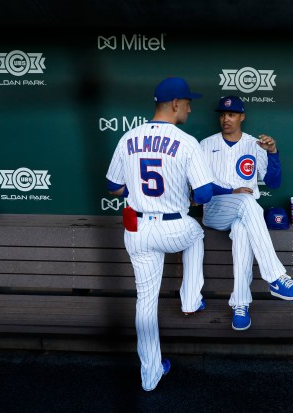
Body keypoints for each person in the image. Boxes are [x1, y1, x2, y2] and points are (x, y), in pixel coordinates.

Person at [106, 77, 214, 391]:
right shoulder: (186, 141)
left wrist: (135, 191)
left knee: (145, 303)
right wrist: (191, 197)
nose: (191, 109)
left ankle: (150, 374)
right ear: (176, 104)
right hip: (173, 226)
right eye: (188, 103)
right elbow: (205, 193)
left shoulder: (128, 138)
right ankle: (191, 298)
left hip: (137, 228)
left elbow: (113, 188)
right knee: (196, 235)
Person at [199, 95, 293, 331]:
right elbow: (200, 188)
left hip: (244, 215)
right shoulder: (205, 145)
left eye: (231, 114)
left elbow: (274, 182)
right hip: (216, 209)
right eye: (222, 114)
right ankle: (276, 277)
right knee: (247, 201)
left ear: (242, 117)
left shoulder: (254, 144)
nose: (225, 119)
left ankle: (240, 305)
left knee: (241, 230)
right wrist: (232, 190)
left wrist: (272, 153)